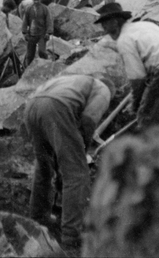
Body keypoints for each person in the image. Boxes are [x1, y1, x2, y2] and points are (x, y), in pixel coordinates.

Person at [23, 74, 111, 250]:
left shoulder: (74, 81)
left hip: (31, 106)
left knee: (44, 168)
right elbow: (88, 119)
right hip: (55, 107)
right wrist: (82, 149)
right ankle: (72, 237)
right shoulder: (104, 89)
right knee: (77, 174)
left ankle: (37, 221)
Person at [95, 1, 159, 128]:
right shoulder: (144, 25)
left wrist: (136, 104)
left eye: (105, 22)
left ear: (115, 22)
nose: (103, 27)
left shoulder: (124, 40)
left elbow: (137, 78)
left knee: (148, 117)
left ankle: (147, 145)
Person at [21, 0, 51, 65]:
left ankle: (46, 65)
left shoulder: (44, 9)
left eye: (38, 0)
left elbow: (49, 21)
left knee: (42, 52)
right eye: (35, 0)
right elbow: (25, 21)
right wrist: (24, 32)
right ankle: (27, 68)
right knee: (29, 55)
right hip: (31, 34)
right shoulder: (29, 9)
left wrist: (49, 32)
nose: (36, 2)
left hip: (42, 34)